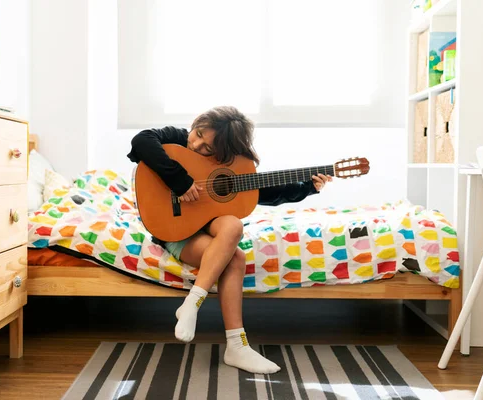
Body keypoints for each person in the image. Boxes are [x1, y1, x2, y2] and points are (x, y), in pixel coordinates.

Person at [127, 106, 332, 374]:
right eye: (198, 134)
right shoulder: (177, 139)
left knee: (233, 224)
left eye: (207, 148)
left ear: (223, 152)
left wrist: (307, 187)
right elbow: (141, 141)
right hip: (175, 229)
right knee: (235, 257)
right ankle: (236, 344)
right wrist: (180, 181)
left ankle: (194, 305)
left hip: (210, 227)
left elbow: (261, 193)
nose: (196, 144)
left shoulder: (229, 164)